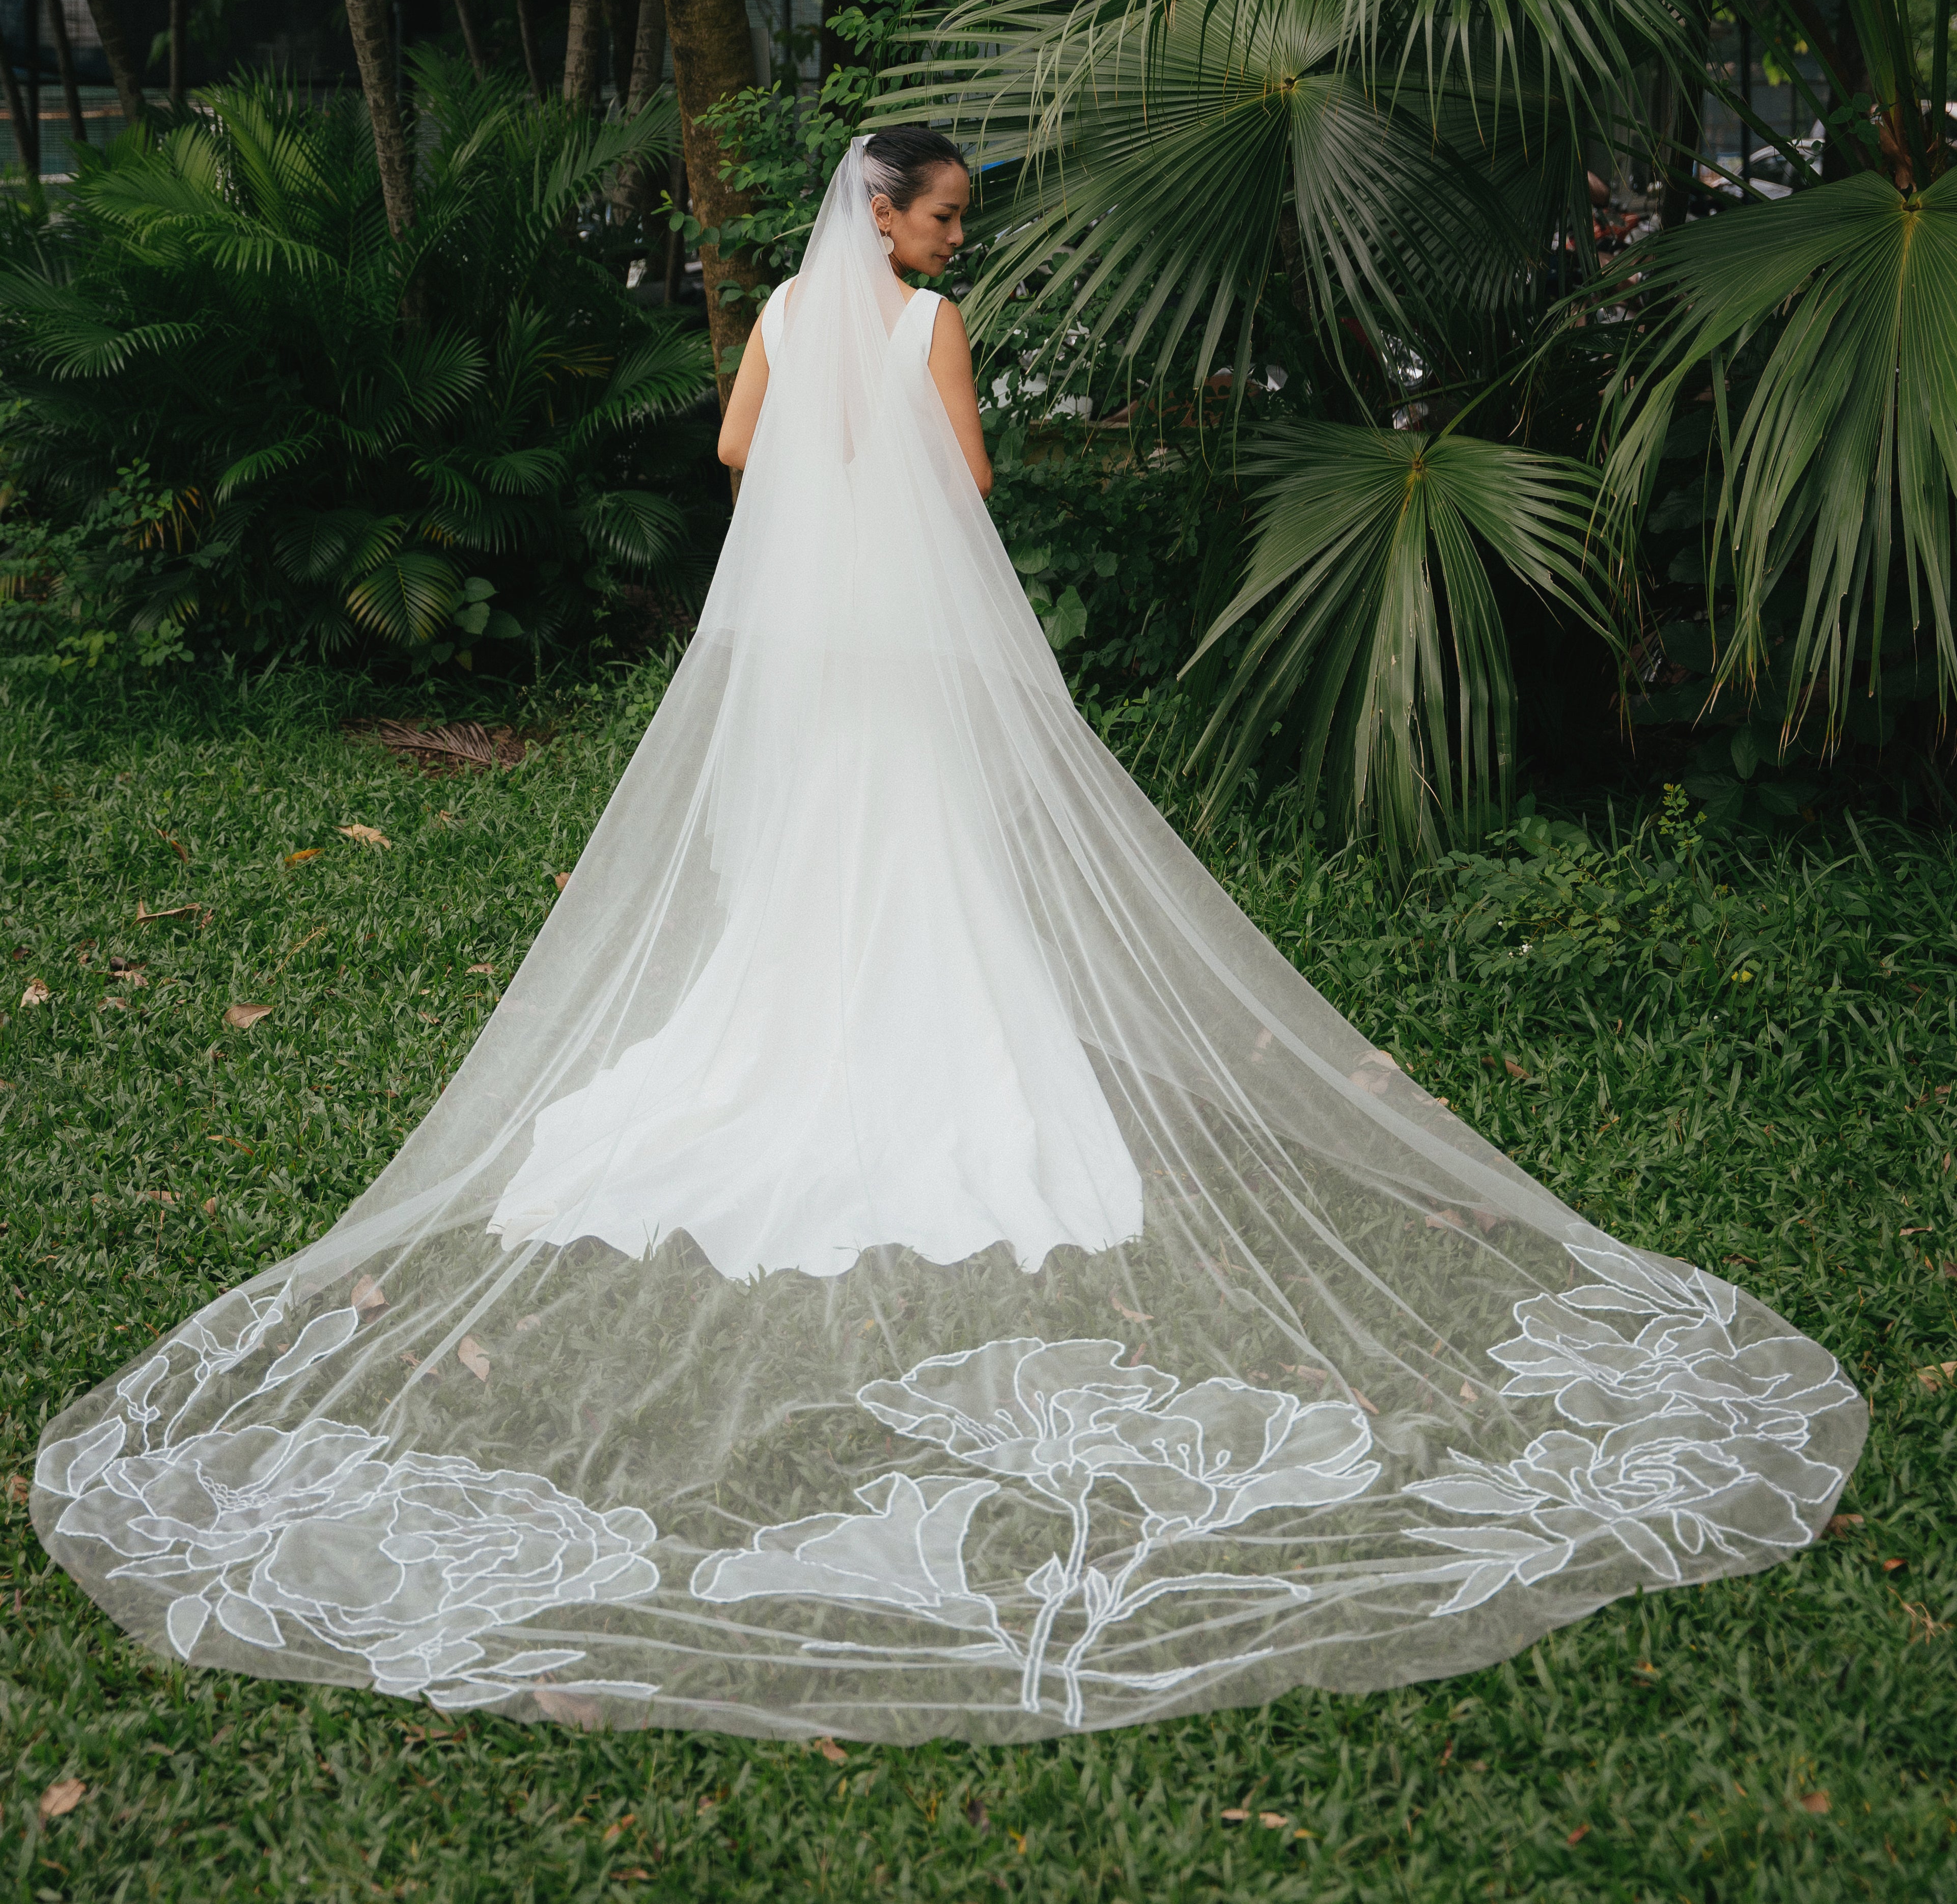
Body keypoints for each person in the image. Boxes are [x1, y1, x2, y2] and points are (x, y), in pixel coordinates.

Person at [32, 129, 1863, 1744]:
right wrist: (900, 474)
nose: (959, 241)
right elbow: (973, 488)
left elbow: (744, 455)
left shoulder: (775, 319)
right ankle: (930, 1051)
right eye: (948, 217)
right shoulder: (919, 334)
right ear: (890, 219)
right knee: (927, 863)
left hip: (805, 665)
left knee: (808, 868)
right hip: (906, 657)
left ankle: (789, 1046)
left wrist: (827, 500)